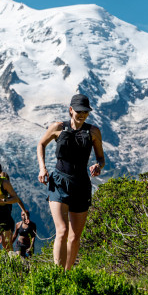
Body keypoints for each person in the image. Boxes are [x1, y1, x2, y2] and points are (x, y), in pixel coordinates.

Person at [37, 93, 104, 269]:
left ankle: (68, 273)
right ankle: (57, 275)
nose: (82, 115)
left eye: (85, 112)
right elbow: (41, 144)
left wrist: (98, 166)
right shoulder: (58, 127)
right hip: (59, 181)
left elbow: (101, 158)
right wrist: (42, 168)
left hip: (81, 184)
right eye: (79, 111)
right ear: (71, 110)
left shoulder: (93, 132)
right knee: (63, 231)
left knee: (75, 236)